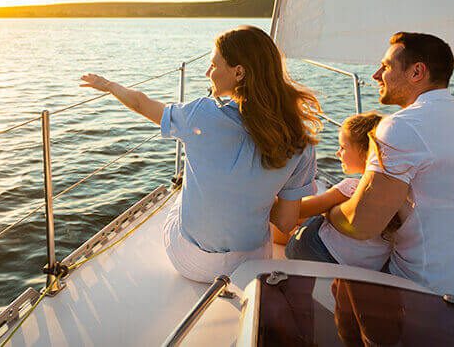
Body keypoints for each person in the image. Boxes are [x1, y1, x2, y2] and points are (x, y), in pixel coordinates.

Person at [80, 25, 322, 282]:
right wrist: (253, 197)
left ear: (239, 72)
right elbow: (286, 223)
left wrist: (108, 85)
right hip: (253, 264)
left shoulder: (200, 114)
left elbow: (141, 103)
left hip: (193, 262)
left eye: (214, 65)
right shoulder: (300, 141)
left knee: (182, 191)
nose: (207, 73)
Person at [324, 32, 454, 319]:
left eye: (386, 67)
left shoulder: (400, 127)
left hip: (444, 298)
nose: (375, 75)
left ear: (417, 72)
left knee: (319, 254)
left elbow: (361, 224)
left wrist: (328, 211)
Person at [282, 112, 405, 272]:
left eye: (343, 147)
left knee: (295, 219)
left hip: (314, 251)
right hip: (366, 268)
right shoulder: (399, 193)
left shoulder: (350, 188)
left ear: (365, 153)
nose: (337, 153)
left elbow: (299, 211)